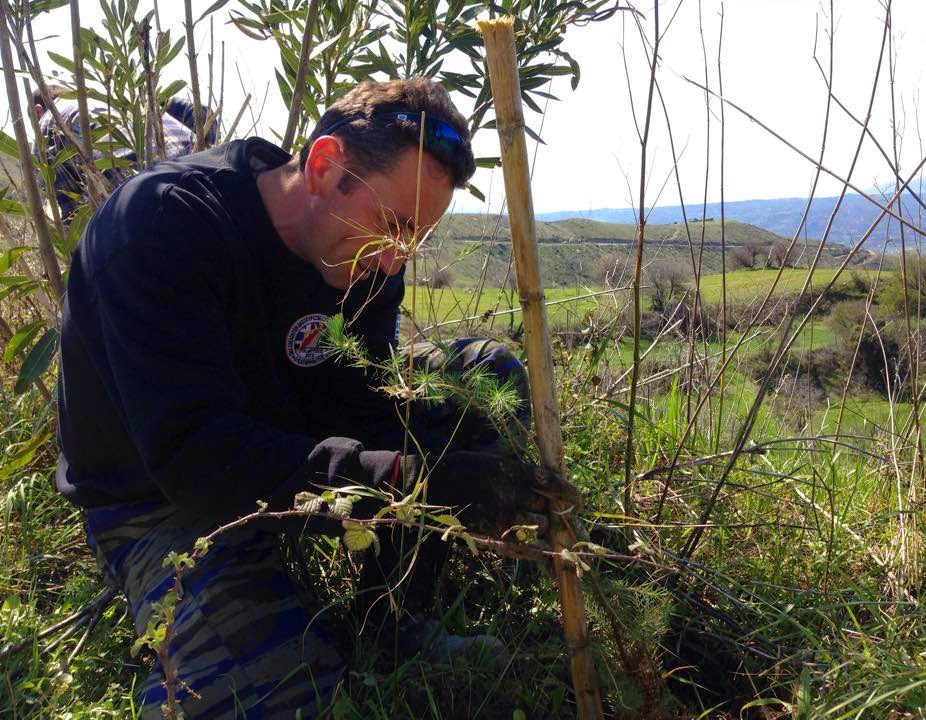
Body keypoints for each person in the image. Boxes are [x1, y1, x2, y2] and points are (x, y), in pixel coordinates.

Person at [56, 78, 574, 718]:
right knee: (286, 698)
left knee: (480, 378)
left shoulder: (366, 259)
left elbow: (361, 401)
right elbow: (195, 459)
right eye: (392, 225)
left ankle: (396, 615)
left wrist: (432, 474)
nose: (394, 261)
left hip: (290, 439)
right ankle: (205, 633)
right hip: (160, 499)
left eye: (414, 238)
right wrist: (410, 481)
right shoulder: (164, 225)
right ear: (326, 165)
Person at [32, 85, 219, 223]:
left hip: (155, 211)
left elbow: (71, 217)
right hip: (211, 182)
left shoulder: (49, 122)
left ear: (38, 111)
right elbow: (199, 112)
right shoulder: (115, 95)